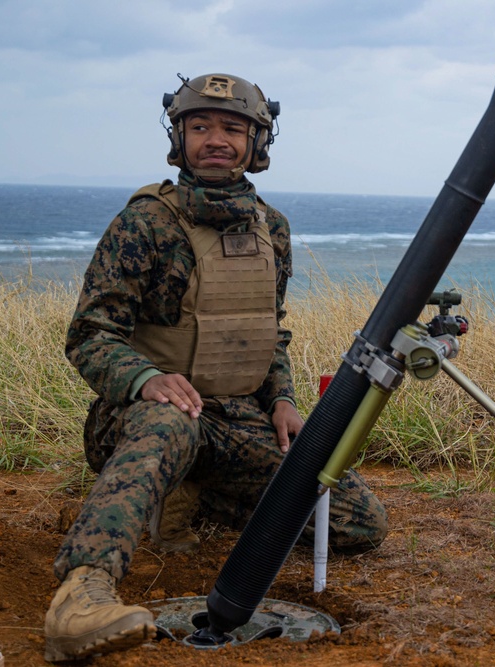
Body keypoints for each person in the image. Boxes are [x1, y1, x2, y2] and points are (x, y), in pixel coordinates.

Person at [43, 73, 388, 662]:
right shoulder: (145, 222)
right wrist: (145, 379)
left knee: (358, 522)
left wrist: (282, 399)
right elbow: (90, 335)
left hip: (235, 421)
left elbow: (267, 329)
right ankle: (82, 593)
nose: (216, 139)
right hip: (143, 420)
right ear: (179, 139)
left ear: (258, 142)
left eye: (233, 128)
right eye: (200, 126)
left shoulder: (270, 228)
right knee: (171, 425)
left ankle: (188, 492)